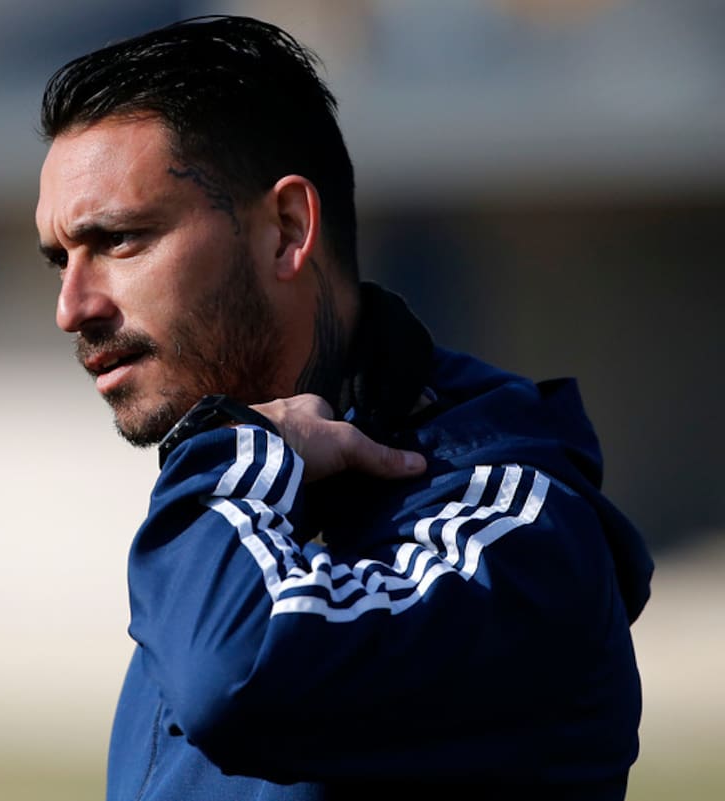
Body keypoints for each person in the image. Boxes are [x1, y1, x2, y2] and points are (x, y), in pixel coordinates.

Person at [34, 15, 652, 801]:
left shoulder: (515, 529)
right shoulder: (239, 518)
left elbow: (234, 676)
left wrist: (235, 452)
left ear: (287, 230)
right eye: (60, 259)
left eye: (119, 239)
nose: (72, 306)